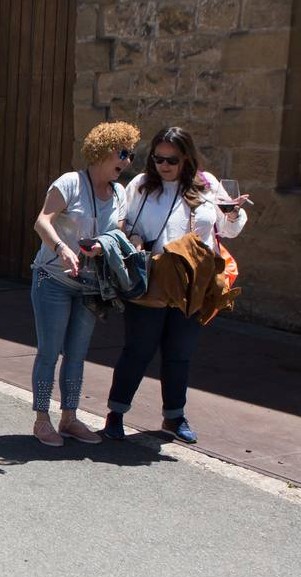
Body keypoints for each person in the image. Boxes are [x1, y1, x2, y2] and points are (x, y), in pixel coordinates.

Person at [103, 127, 248, 445]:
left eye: (171, 159)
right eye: (158, 158)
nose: (164, 165)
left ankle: (174, 417)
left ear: (187, 158)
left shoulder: (207, 185)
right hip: (151, 279)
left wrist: (234, 213)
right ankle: (116, 415)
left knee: (179, 354)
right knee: (138, 350)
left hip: (194, 283)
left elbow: (230, 229)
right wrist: (132, 238)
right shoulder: (141, 186)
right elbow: (119, 223)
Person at [25, 121, 140, 447]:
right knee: (49, 352)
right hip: (53, 279)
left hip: (91, 285)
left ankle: (70, 417)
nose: (128, 161)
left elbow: (115, 234)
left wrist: (105, 246)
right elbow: (41, 222)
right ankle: (42, 419)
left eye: (130, 155)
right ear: (103, 151)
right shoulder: (70, 183)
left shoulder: (119, 193)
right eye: (123, 153)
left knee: (77, 354)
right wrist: (62, 248)